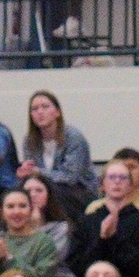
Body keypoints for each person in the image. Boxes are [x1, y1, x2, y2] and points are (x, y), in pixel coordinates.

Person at [15, 91, 94, 219]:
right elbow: (33, 175)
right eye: (35, 109)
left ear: (57, 112)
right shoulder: (29, 140)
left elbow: (70, 178)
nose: (40, 112)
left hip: (79, 191)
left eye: (45, 107)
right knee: (16, 191)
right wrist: (25, 172)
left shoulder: (73, 137)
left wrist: (37, 171)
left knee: (56, 193)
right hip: (46, 190)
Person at [0, 188, 62, 277]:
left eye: (22, 206)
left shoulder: (44, 242)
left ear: (31, 210)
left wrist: (8, 259)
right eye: (10, 207)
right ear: (2, 212)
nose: (16, 212)